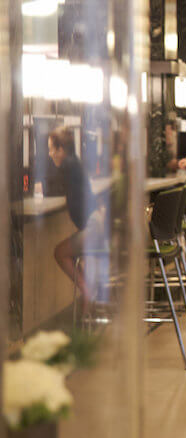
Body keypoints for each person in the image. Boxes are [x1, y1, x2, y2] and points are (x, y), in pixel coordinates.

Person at [49, 127, 101, 313]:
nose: (50, 154)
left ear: (61, 150)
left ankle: (87, 291)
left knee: (60, 253)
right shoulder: (75, 163)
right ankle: (89, 291)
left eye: (51, 149)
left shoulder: (67, 165)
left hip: (93, 228)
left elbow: (50, 187)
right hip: (97, 224)